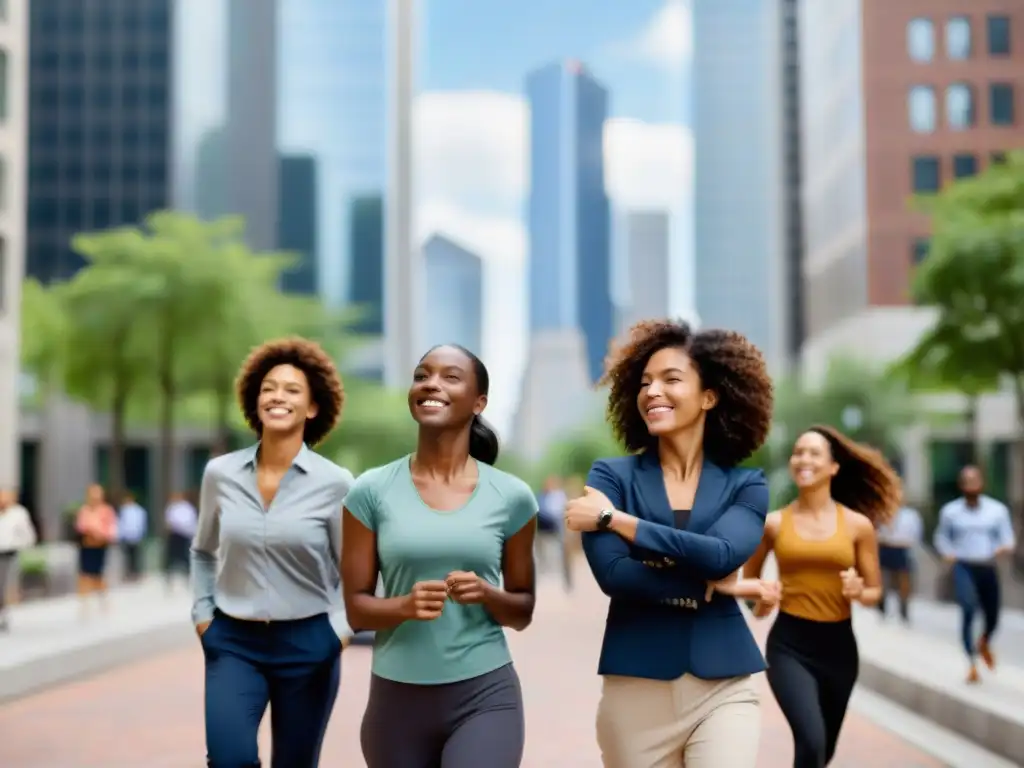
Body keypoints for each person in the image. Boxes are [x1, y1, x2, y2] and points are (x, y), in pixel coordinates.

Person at [563, 320, 777, 768]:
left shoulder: (747, 484)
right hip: (636, 688)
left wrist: (616, 520)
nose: (652, 391)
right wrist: (712, 584)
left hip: (725, 684)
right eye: (644, 382)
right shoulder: (610, 476)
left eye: (670, 379)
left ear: (709, 396)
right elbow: (615, 576)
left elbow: (724, 555)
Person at [342, 344, 537, 768]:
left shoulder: (513, 497)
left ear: (479, 402)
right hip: (396, 702)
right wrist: (404, 606)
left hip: (485, 696)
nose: (431, 384)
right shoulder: (370, 491)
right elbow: (355, 610)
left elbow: (522, 610)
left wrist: (488, 594)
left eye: (451, 377)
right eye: (422, 375)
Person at [191, 337, 354, 768]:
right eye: (268, 388)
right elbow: (203, 551)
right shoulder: (220, 474)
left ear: (313, 408)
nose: (277, 396)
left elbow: (353, 571)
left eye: (292, 390)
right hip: (233, 642)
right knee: (230, 760)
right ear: (254, 400)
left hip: (309, 643)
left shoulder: (336, 483)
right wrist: (204, 616)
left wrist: (336, 632)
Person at [743, 425, 898, 768]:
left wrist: (860, 592)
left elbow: (874, 592)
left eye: (814, 453)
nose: (803, 459)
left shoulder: (858, 526)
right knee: (811, 742)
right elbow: (749, 584)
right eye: (798, 452)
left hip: (839, 650)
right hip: (790, 647)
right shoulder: (773, 524)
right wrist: (761, 603)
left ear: (833, 467)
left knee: (822, 753)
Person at [933, 464, 1016, 684]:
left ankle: (985, 640)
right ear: (961, 485)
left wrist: (1002, 548)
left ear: (982, 483)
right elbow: (941, 538)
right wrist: (948, 553)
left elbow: (1008, 539)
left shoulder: (997, 511)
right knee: (968, 609)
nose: (971, 485)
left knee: (993, 615)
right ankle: (971, 663)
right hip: (964, 565)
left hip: (988, 565)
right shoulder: (951, 512)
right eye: (967, 481)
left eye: (975, 480)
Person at [876, 494, 923, 623]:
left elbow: (917, 534)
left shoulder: (911, 515)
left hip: (903, 548)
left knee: (904, 581)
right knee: (883, 580)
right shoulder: (882, 512)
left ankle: (904, 610)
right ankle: (881, 607)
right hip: (886, 546)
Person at [75, 483, 118, 618]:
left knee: (99, 574)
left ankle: (103, 600)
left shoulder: (107, 510)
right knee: (84, 574)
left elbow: (111, 529)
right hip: (87, 544)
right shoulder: (84, 510)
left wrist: (101, 535)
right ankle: (84, 602)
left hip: (100, 545)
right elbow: (80, 526)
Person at [0, 489, 37, 631]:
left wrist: (22, 546)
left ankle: (3, 615)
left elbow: (28, 535)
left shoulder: (18, 514)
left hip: (9, 553)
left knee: (3, 586)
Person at [536, 475, 572, 590]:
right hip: (545, 529)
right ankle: (544, 570)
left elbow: (565, 512)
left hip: (560, 528)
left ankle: (568, 581)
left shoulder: (560, 496)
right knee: (542, 551)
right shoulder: (542, 496)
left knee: (564, 554)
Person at [164, 490, 197, 592]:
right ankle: (169, 581)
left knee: (185, 558)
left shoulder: (188, 508)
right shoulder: (172, 508)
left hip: (185, 535)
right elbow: (168, 522)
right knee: (171, 559)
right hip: (175, 535)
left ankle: (187, 580)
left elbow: (191, 522)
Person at [118, 491, 148, 583]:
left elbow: (142, 523)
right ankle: (128, 573)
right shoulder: (123, 510)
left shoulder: (138, 510)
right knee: (127, 557)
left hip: (136, 536)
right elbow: (121, 523)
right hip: (127, 537)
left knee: (136, 556)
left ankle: (136, 573)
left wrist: (141, 534)